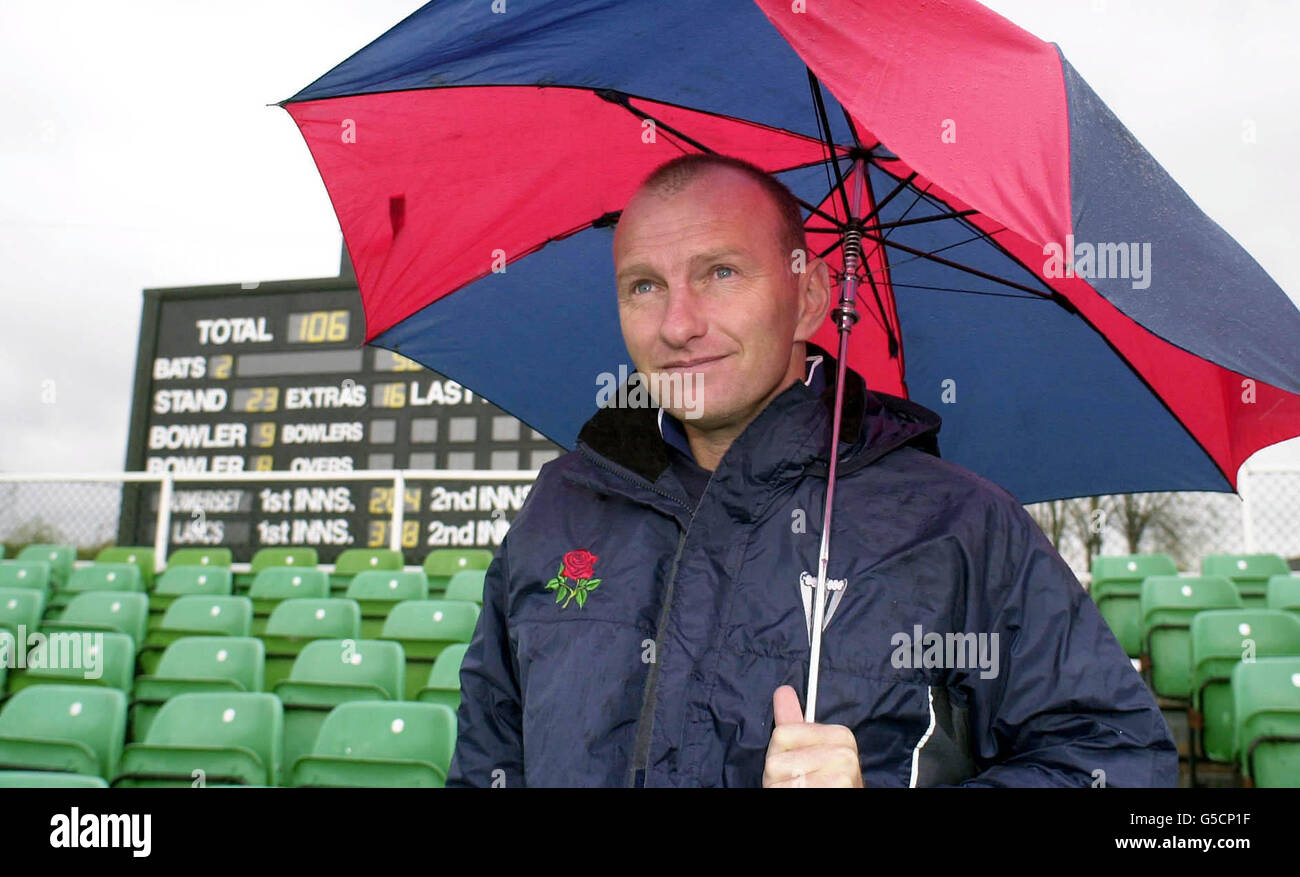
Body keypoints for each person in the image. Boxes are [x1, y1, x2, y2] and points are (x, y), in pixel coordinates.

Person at [445, 153, 1179, 788]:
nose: (677, 323)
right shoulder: (563, 504)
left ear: (811, 299)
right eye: (644, 285)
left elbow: (1119, 758)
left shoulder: (957, 526)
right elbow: (486, 759)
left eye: (720, 272)